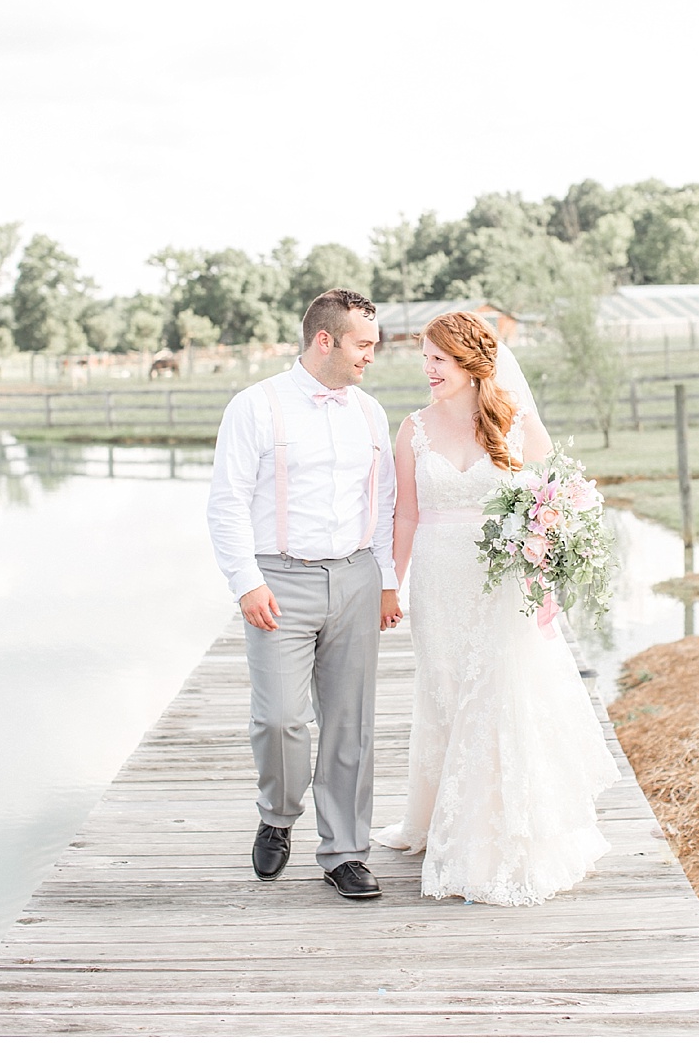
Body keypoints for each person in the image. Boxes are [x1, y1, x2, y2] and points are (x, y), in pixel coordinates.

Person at [371, 313, 618, 904]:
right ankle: (438, 816)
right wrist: (389, 584)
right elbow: (405, 514)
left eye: (439, 359)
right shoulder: (412, 431)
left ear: (471, 363)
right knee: (445, 691)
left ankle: (497, 833)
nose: (427, 369)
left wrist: (547, 563)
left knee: (498, 692)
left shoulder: (516, 424)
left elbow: (553, 502)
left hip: (499, 582)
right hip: (436, 580)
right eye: (425, 358)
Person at [206, 289, 400, 901]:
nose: (371, 356)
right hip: (278, 581)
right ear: (326, 341)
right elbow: (227, 502)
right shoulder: (255, 406)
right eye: (363, 344)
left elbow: (385, 502)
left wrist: (387, 578)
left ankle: (344, 851)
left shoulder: (369, 412)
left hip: (355, 576)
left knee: (351, 724)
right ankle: (278, 813)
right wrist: (247, 582)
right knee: (282, 719)